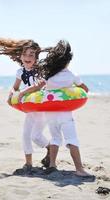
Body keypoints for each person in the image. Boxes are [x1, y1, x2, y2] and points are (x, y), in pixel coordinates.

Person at [0, 38, 50, 174]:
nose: (27, 57)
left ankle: (50, 148)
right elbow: (15, 87)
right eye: (25, 54)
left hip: (42, 109)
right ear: (20, 56)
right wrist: (11, 94)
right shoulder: (20, 72)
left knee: (36, 136)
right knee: (25, 136)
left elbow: (39, 86)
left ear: (36, 57)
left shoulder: (41, 70)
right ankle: (28, 163)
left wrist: (23, 92)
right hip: (30, 110)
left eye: (31, 54)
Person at [36, 40, 91, 176]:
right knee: (72, 139)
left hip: (50, 113)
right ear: (67, 61)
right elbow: (85, 90)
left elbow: (41, 89)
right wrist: (71, 89)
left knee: (55, 138)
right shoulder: (72, 75)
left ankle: (52, 164)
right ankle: (79, 169)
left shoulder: (48, 75)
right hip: (65, 114)